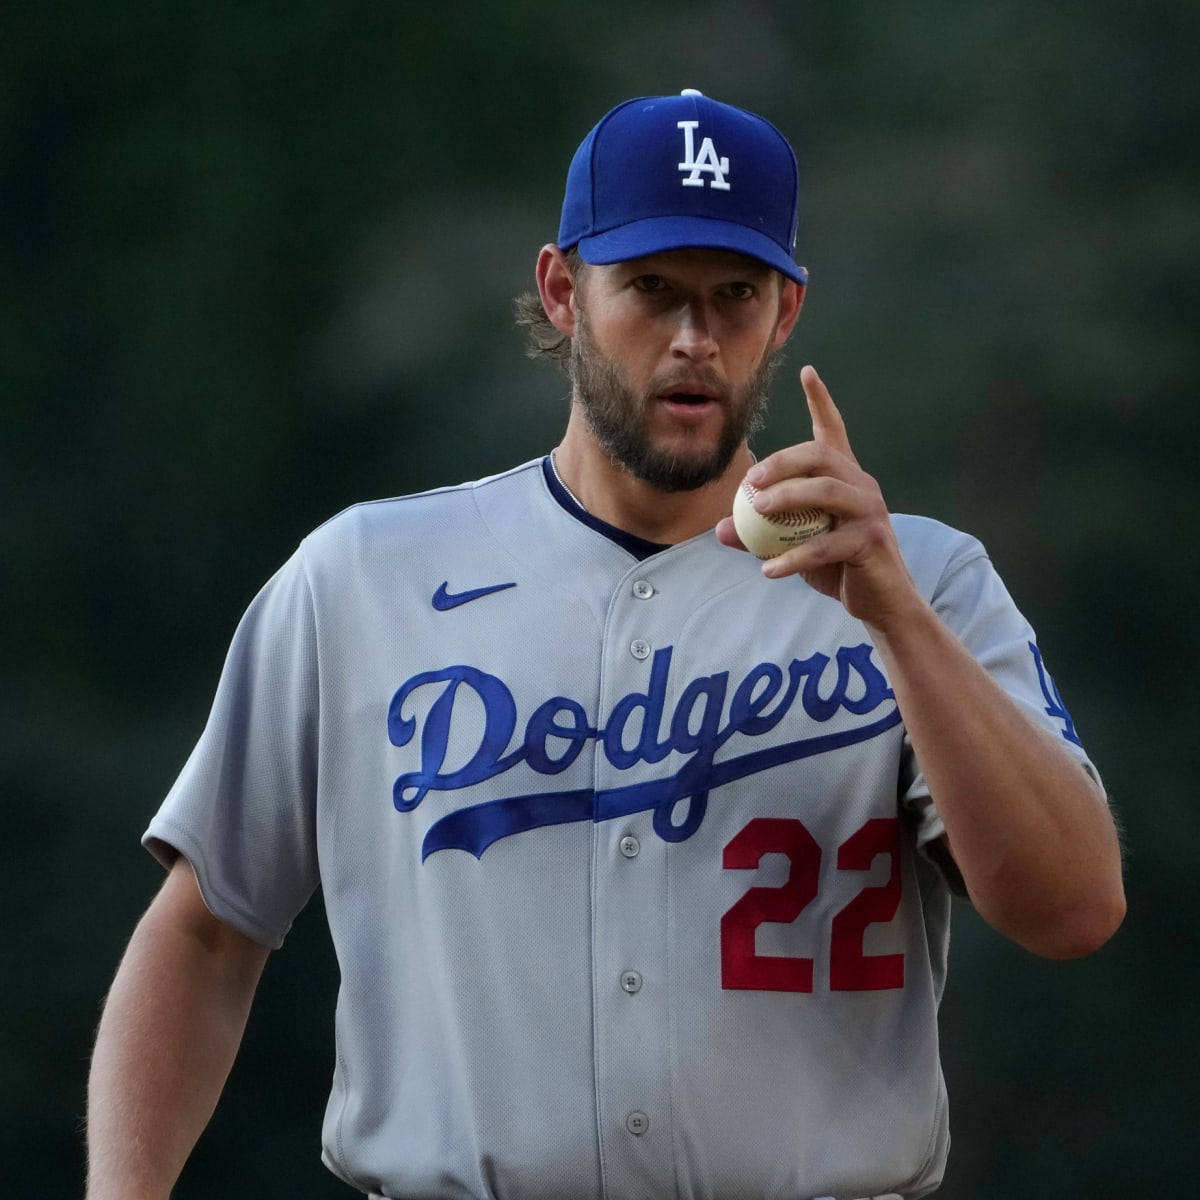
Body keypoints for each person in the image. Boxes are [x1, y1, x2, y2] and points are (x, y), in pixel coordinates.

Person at [85, 89, 1125, 1200]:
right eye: (652, 291)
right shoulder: (361, 579)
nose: (694, 338)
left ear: (787, 311)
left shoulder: (922, 579)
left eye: (735, 295)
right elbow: (203, 939)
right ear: (562, 289)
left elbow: (1072, 910)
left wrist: (899, 622)